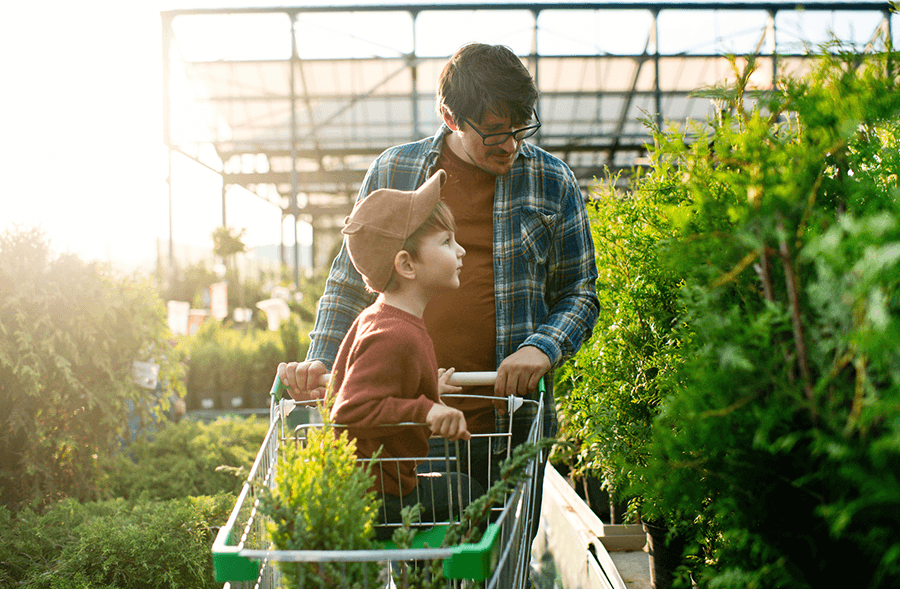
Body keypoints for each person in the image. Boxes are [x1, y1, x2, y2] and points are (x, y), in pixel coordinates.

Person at [278, 42, 599, 544]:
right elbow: (347, 283)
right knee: (419, 559)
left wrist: (543, 346)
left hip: (507, 422)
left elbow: (580, 292)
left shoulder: (552, 182)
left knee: (500, 559)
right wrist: (321, 361)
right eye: (493, 131)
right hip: (409, 419)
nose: (510, 144)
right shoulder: (396, 173)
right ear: (450, 116)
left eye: (520, 127)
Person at [324, 169, 481, 540]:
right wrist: (427, 409)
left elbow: (374, 390)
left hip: (374, 486)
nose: (460, 251)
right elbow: (350, 410)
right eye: (446, 242)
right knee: (470, 492)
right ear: (406, 264)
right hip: (377, 498)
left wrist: (429, 392)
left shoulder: (382, 318)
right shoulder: (395, 335)